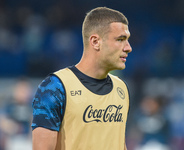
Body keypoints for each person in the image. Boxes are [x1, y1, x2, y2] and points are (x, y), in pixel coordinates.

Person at [32, 7, 132, 150]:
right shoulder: (55, 87)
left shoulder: (122, 88)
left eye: (127, 40)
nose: (128, 47)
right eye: (120, 39)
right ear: (96, 42)